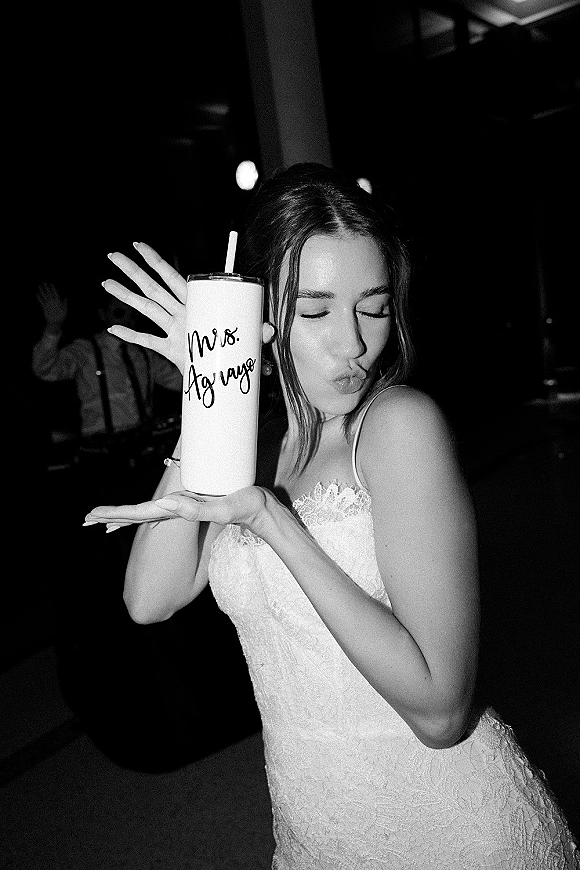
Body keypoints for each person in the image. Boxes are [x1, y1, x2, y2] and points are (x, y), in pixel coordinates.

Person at [84, 164, 578, 868]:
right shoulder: (246, 440)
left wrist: (273, 522)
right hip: (317, 832)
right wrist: (208, 391)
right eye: (315, 311)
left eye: (372, 307)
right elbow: (149, 599)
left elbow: (440, 710)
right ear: (260, 318)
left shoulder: (397, 427)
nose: (352, 344)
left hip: (449, 829)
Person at [33, 282, 182, 505]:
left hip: (142, 449)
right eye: (119, 312)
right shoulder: (85, 350)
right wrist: (53, 329)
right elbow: (46, 368)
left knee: (147, 506)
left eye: (132, 314)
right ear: (102, 314)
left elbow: (181, 382)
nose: (127, 320)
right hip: (100, 453)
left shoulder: (143, 352)